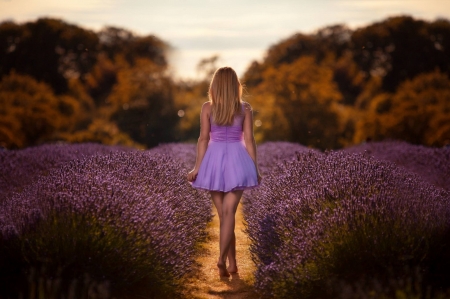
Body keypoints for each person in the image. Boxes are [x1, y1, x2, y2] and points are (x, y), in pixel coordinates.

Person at [187, 66, 261, 277]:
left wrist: (198, 167)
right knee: (228, 215)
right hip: (238, 160)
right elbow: (249, 140)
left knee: (224, 215)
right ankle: (231, 263)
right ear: (236, 85)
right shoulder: (245, 108)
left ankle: (222, 260)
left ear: (215, 85)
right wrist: (254, 167)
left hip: (214, 161)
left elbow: (203, 139)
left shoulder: (207, 108)